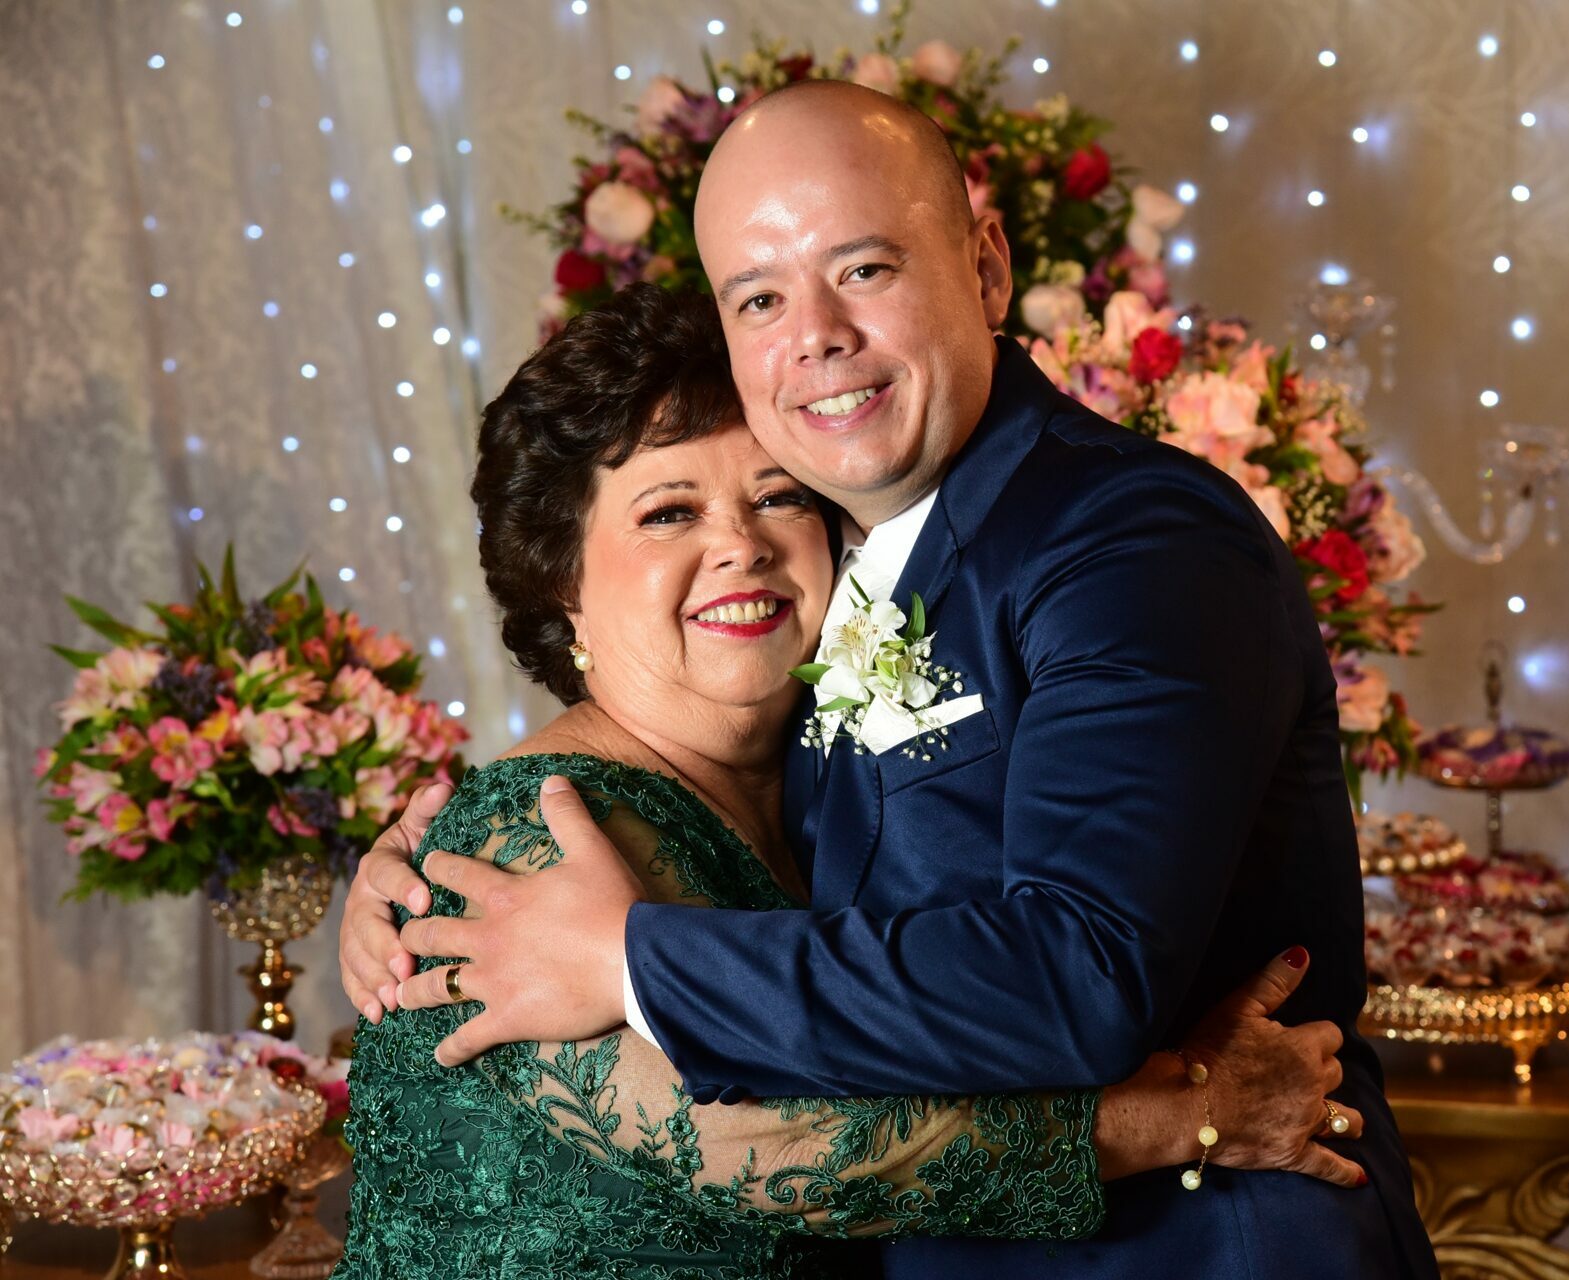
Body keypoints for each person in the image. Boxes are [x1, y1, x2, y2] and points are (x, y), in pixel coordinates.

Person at [343, 80, 1438, 1277]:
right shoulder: (855, 565)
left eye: (864, 268)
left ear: (988, 268)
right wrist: (410, 872)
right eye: (762, 297)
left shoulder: (1133, 539)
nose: (816, 333)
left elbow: (1079, 970)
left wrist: (628, 958)